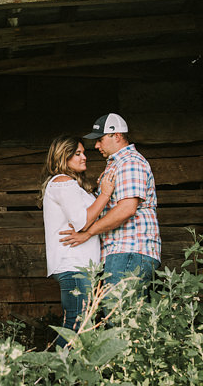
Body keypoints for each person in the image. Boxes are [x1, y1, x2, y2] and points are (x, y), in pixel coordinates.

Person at [60, 113, 161, 292]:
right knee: (124, 314)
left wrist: (88, 232)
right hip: (122, 252)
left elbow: (127, 209)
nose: (97, 145)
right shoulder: (117, 164)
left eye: (100, 139)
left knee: (117, 312)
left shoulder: (130, 163)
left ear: (117, 136)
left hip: (130, 249)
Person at [41, 134, 114, 346]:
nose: (84, 158)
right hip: (72, 265)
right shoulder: (63, 182)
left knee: (81, 324)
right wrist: (106, 194)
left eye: (84, 153)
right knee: (76, 325)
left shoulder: (72, 185)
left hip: (80, 266)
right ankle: (59, 376)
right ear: (63, 157)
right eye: (77, 154)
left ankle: (70, 375)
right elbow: (82, 221)